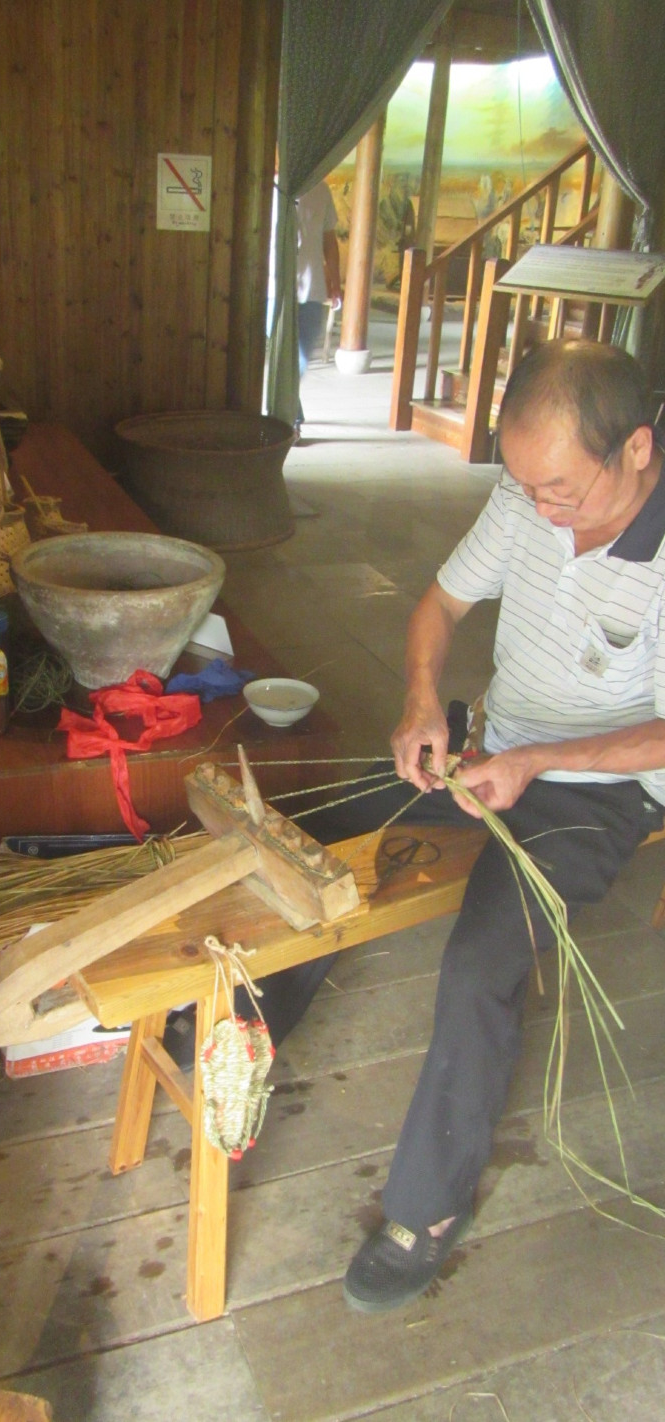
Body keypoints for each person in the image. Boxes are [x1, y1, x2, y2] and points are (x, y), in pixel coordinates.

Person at [303, 338, 665, 1313]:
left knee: (478, 961)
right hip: (493, 743)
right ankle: (247, 1021)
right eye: (523, 485)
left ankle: (424, 1210)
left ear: (635, 448)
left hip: (597, 788)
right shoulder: (525, 497)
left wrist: (536, 763)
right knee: (318, 824)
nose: (539, 509)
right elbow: (441, 600)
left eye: (560, 489)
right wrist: (423, 701)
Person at [295, 180, 341, 430]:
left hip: (312, 287)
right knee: (282, 355)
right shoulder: (270, 186)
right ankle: (290, 418)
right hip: (272, 286)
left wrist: (335, 281)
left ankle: (289, 412)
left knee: (301, 357)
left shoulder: (321, 190)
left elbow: (329, 240)